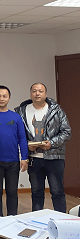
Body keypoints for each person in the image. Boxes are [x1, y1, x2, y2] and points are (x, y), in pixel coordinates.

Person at [15, 83, 71, 212]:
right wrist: (27, 146)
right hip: (34, 159)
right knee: (36, 192)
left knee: (57, 191)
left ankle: (61, 220)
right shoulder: (21, 111)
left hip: (54, 157)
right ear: (30, 94)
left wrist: (52, 143)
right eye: (34, 91)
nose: (37, 93)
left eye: (40, 91)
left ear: (46, 94)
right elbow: (18, 134)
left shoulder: (57, 111)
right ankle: (37, 219)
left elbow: (66, 132)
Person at [0, 85, 28, 216]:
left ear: (9, 98)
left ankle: (12, 218)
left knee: (12, 191)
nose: (1, 98)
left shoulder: (16, 117)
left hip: (13, 161)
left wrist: (24, 158)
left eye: (4, 96)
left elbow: (22, 138)